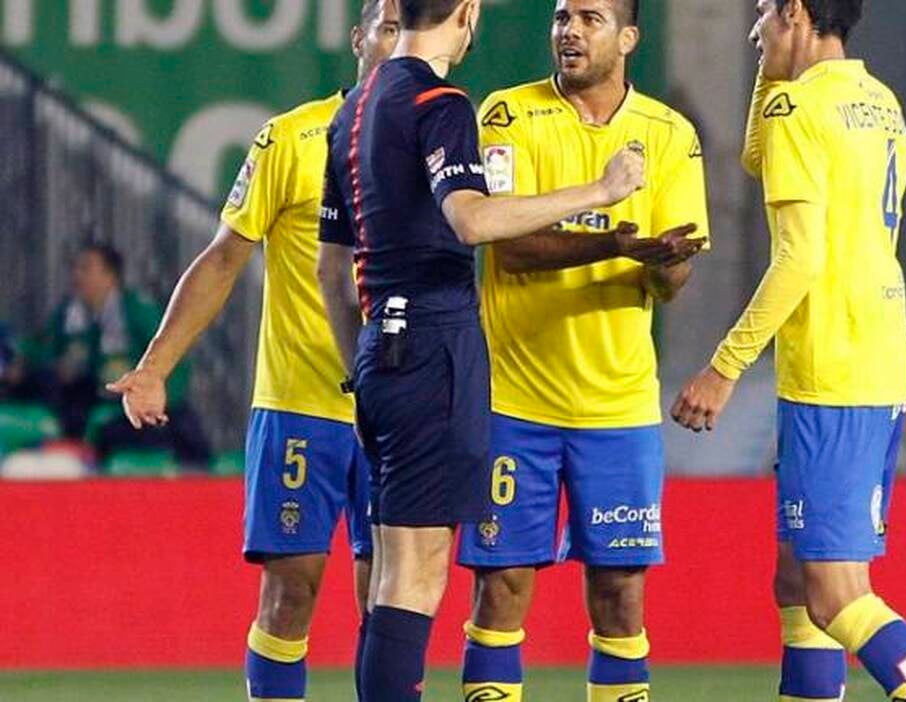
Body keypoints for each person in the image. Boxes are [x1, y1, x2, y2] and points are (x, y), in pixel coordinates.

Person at [315, 0, 646, 698]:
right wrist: (601, 189)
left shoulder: (353, 109)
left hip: (380, 350)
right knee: (415, 574)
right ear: (467, 13)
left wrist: (360, 367)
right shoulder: (439, 102)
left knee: (392, 573)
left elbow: (330, 268)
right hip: (433, 345)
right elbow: (471, 220)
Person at [107, 3, 401, 699]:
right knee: (291, 591)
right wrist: (154, 366)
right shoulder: (292, 138)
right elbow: (223, 257)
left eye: (409, 28)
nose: (399, 43)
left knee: (391, 602)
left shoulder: (440, 145)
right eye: (387, 27)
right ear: (359, 40)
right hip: (301, 404)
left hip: (396, 411)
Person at [671, 1, 906, 700]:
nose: (755, 28)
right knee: (797, 581)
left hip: (835, 365)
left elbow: (798, 258)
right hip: (873, 352)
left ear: (796, 11)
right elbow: (757, 157)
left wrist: (725, 366)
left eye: (764, 12)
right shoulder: (880, 102)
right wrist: (775, 71)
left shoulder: (798, 110)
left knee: (836, 595)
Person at [454, 1, 709, 700]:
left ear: (628, 38)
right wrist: (611, 244)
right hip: (514, 400)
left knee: (621, 592)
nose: (569, 29)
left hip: (618, 407)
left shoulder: (670, 134)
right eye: (562, 16)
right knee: (501, 585)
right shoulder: (508, 114)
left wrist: (663, 261)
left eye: (590, 18)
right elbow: (506, 244)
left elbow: (673, 282)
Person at [20, 244, 207, 464]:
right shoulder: (68, 314)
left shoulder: (137, 311)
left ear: (110, 276)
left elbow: (176, 360)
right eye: (76, 269)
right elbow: (42, 349)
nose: (77, 276)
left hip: (139, 407)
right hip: (90, 405)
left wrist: (157, 400)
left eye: (86, 268)